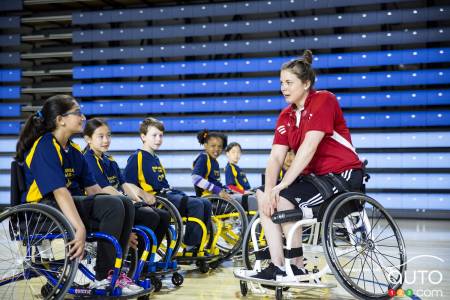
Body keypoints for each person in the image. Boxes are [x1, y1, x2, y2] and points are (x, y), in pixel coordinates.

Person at [252, 50, 363, 280]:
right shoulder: (285, 116)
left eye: (289, 82)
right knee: (265, 197)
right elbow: (275, 158)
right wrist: (271, 190)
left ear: (306, 83)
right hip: (315, 179)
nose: (283, 87)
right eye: (281, 83)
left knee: (284, 200)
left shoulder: (324, 100)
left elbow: (308, 148)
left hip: (342, 173)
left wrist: (281, 187)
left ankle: (297, 265)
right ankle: (278, 266)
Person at [15, 95, 141, 294]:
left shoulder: (72, 150)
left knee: (122, 202)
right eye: (77, 113)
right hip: (42, 212)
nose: (83, 117)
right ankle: (104, 278)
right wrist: (79, 228)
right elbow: (60, 192)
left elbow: (94, 190)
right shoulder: (45, 146)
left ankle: (115, 275)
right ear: (60, 119)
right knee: (114, 206)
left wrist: (125, 225)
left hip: (66, 206)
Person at [124, 117, 212, 252]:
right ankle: (190, 244)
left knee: (205, 203)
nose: (158, 139)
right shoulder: (137, 157)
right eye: (154, 135)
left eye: (160, 135)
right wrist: (144, 194)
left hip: (167, 195)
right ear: (143, 137)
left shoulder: (155, 158)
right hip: (157, 200)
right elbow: (127, 183)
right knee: (197, 205)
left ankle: (200, 244)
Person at [83, 118, 170, 251]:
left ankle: (147, 260)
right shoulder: (88, 159)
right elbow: (105, 188)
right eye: (101, 137)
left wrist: (138, 200)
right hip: (100, 206)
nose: (106, 140)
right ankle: (134, 259)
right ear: (88, 139)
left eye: (108, 136)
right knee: (150, 216)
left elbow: (124, 184)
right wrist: (130, 201)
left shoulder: (109, 159)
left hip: (118, 201)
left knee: (163, 215)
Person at [192, 130, 258, 212]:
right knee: (251, 201)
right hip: (209, 199)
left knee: (252, 198)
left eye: (220, 146)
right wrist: (218, 190)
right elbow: (195, 178)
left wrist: (228, 190)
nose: (217, 149)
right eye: (213, 146)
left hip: (217, 197)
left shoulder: (215, 162)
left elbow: (217, 183)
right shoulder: (203, 158)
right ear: (205, 146)